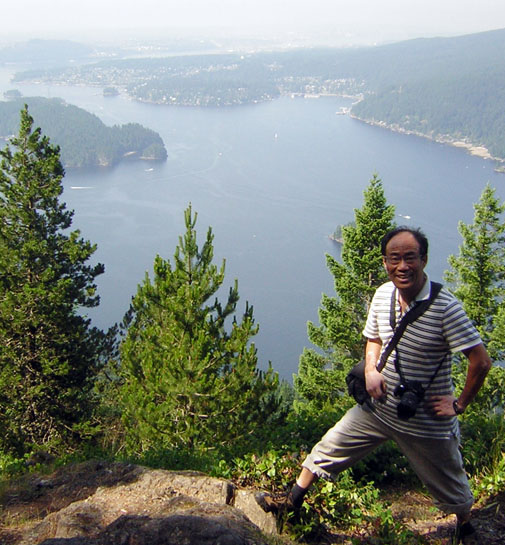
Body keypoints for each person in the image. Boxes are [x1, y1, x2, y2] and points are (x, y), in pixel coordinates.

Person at [256, 227, 491, 544]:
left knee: (450, 480)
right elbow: (374, 339)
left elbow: (481, 361)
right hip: (378, 407)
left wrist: (459, 404)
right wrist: (370, 369)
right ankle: (291, 501)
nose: (402, 266)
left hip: (425, 419)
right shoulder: (382, 295)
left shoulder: (445, 308)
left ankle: (465, 526)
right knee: (328, 447)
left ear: (424, 260)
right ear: (385, 262)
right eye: (394, 258)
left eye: (410, 257)